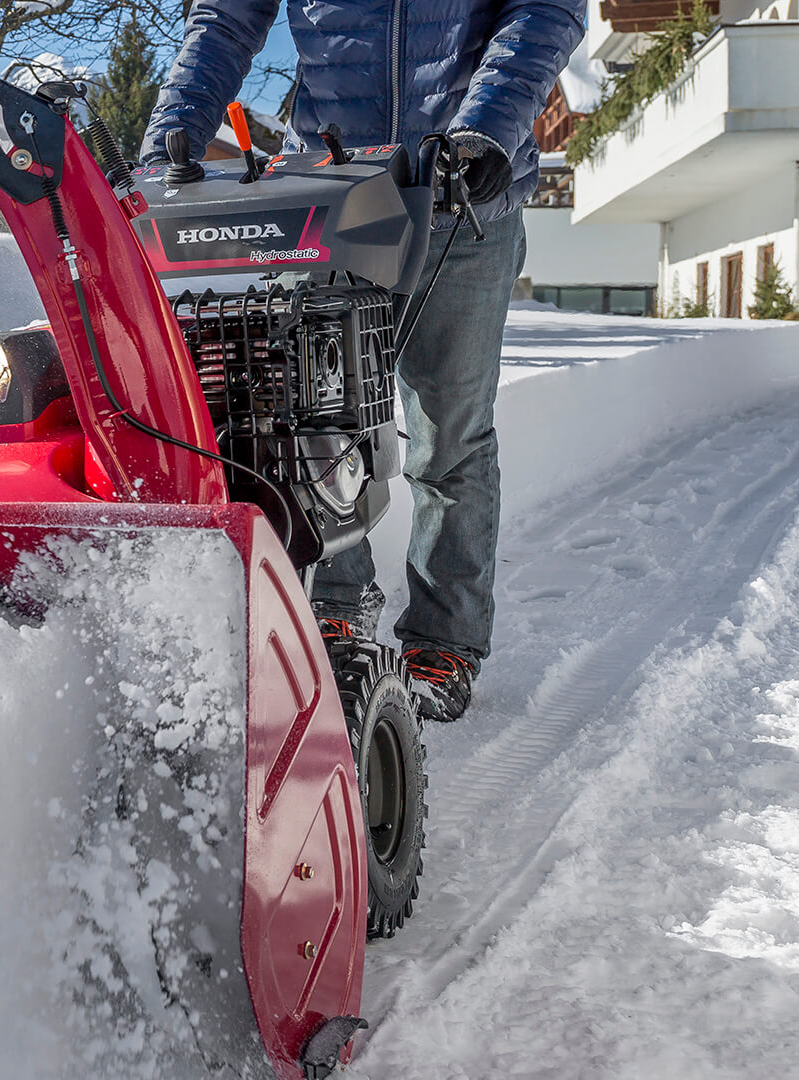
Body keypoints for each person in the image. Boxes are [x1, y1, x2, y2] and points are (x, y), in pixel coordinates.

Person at [141, 0, 583, 722]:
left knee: (448, 435)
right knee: (312, 415)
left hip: (463, 192)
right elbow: (225, 18)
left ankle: (445, 640)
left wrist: (485, 131)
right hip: (336, 190)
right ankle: (336, 608)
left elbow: (544, 10)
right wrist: (173, 135)